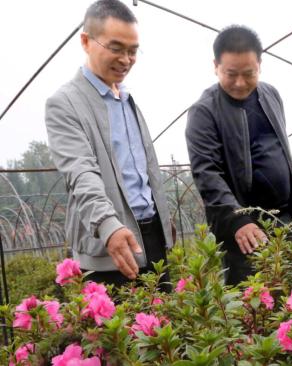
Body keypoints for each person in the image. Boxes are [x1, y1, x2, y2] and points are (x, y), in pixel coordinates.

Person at [45, 0, 173, 291]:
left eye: (132, 50)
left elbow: (144, 170)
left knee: (164, 330)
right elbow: (81, 172)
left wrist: (163, 222)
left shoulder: (127, 99)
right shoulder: (64, 104)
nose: (126, 59)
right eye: (116, 48)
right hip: (110, 243)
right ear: (86, 41)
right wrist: (108, 224)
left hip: (150, 235)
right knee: (119, 333)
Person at [186, 25, 292, 286]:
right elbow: (207, 174)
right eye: (231, 74)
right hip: (244, 230)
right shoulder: (204, 112)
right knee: (255, 305)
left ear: (259, 64)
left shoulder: (270, 95)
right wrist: (239, 220)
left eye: (249, 74)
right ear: (216, 66)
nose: (240, 83)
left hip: (284, 220)